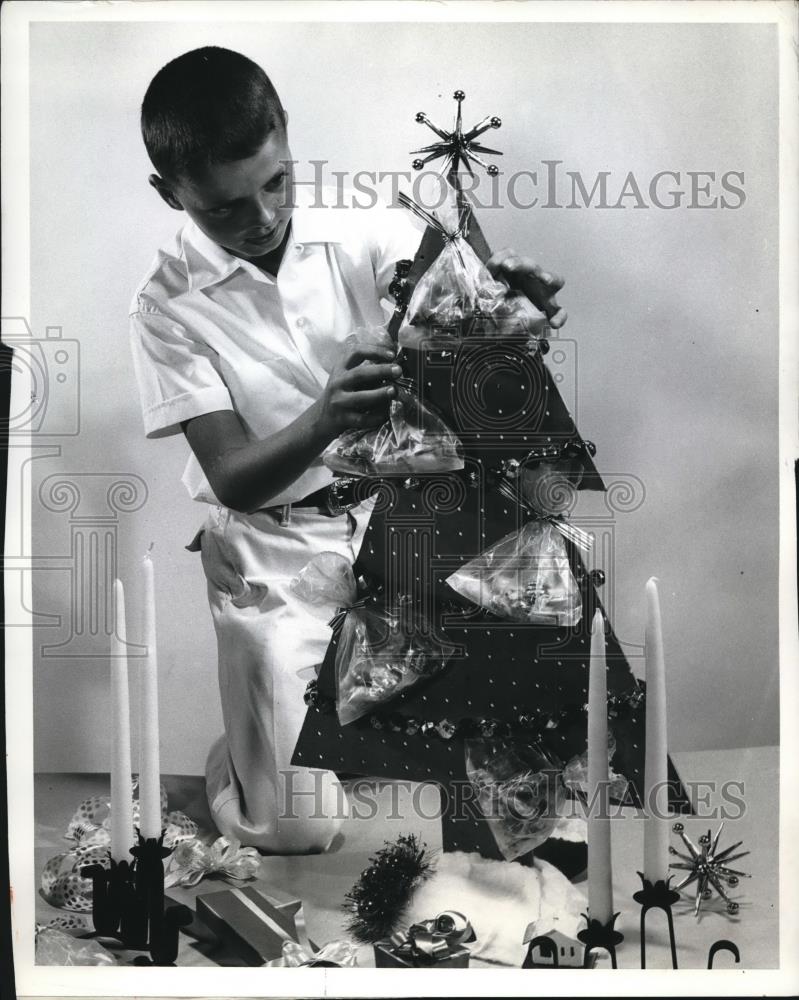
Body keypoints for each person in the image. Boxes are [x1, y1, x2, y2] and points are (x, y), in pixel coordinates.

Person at [129, 45, 569, 854]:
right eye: (223, 207)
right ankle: (245, 762)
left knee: (525, 626)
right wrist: (323, 419)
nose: (260, 216)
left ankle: (342, 722)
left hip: (397, 517)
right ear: (169, 193)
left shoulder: (370, 228)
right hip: (272, 546)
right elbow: (231, 475)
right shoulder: (164, 307)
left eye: (275, 181)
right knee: (294, 830)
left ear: (288, 142)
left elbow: (466, 344)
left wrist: (512, 321)